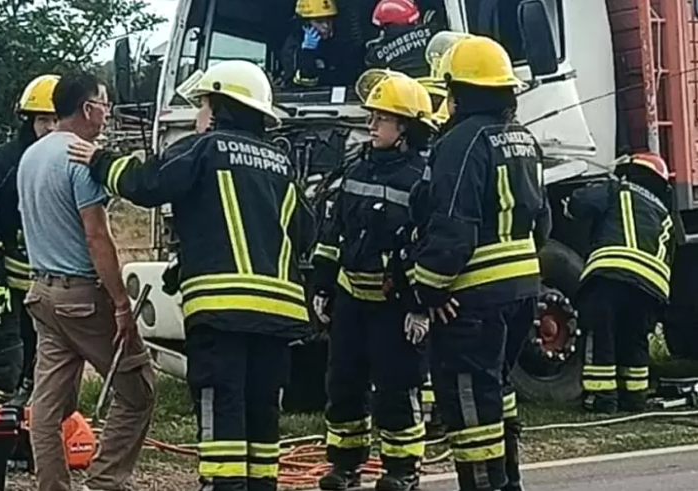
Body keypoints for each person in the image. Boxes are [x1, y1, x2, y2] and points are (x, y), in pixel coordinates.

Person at [67, 60, 316, 491]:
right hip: (278, 316)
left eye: (202, 104)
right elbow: (303, 232)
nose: (198, 114)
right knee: (261, 414)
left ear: (220, 107)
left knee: (222, 408)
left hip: (221, 311)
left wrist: (100, 159)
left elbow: (148, 184)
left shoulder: (203, 149)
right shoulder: (282, 164)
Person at [408, 35, 551, 491]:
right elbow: (542, 223)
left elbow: (454, 229)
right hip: (522, 291)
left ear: (459, 91)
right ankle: (508, 482)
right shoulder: (523, 139)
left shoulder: (460, 143)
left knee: (470, 405)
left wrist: (426, 290)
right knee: (496, 391)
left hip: (475, 298)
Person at [17, 71, 155, 491]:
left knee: (47, 403)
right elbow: (97, 236)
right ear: (86, 108)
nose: (108, 113)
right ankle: (105, 481)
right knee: (138, 391)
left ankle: (52, 485)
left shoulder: (32, 156)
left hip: (42, 292)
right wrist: (120, 303)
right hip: (82, 296)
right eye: (105, 103)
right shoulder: (81, 157)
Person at [310, 72, 437, 491]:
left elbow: (428, 247)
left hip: (395, 305)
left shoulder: (423, 179)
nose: (370, 126)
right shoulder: (354, 167)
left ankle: (402, 470)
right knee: (343, 384)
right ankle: (345, 465)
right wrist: (324, 288)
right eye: (371, 117)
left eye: (381, 118)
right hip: (351, 298)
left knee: (396, 390)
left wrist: (420, 305)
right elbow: (332, 232)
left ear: (405, 128)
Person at [0, 74, 59, 408]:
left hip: (36, 285)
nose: (50, 128)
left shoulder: (65, 165)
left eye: (57, 120)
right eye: (43, 119)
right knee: (4, 358)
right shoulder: (5, 161)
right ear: (29, 121)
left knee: (35, 361)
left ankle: (19, 438)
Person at [567, 153, 674, 414]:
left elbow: (580, 203)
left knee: (600, 333)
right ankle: (634, 399)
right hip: (651, 286)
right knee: (634, 339)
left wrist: (570, 205)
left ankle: (602, 399)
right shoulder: (663, 213)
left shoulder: (617, 189)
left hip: (610, 275)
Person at [364, 0, 443, 78]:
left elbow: (371, 65)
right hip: (436, 83)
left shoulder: (377, 53)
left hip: (403, 88)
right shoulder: (430, 31)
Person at [281, 0, 346, 87]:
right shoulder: (293, 48)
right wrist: (307, 53)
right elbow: (300, 82)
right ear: (305, 24)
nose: (326, 26)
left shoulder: (340, 44)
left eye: (329, 21)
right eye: (319, 22)